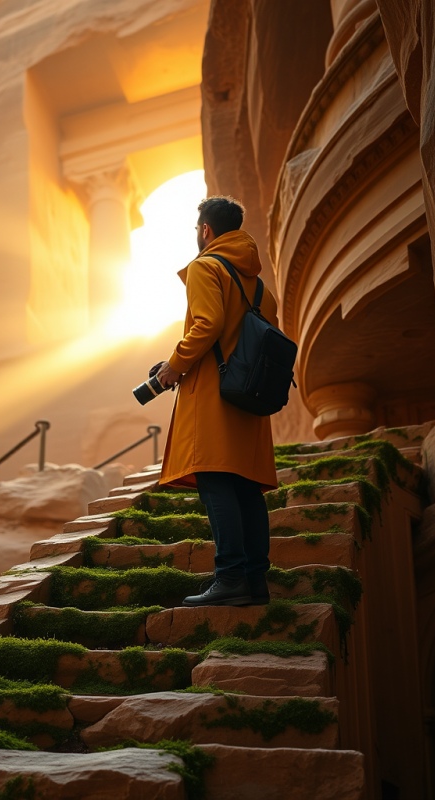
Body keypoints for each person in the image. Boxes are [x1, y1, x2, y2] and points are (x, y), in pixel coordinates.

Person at [153, 196, 279, 607]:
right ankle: (255, 581)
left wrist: (173, 365)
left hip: (214, 395)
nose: (196, 236)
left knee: (216, 482)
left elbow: (208, 324)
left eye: (196, 229)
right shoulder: (260, 287)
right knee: (245, 488)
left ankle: (228, 579)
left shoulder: (206, 267)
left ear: (206, 230)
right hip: (251, 397)